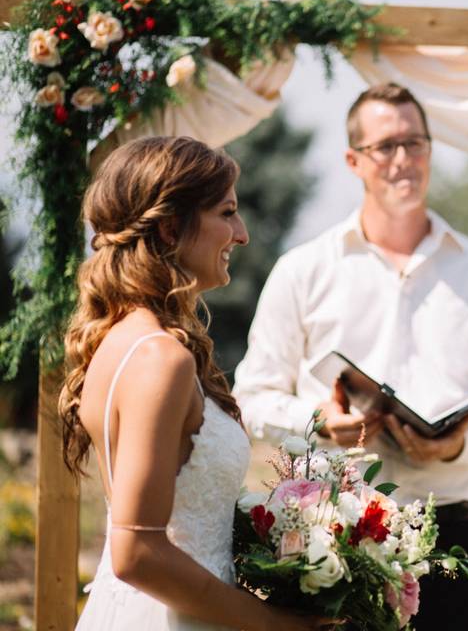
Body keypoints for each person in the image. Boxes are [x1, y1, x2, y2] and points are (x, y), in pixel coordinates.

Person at [234, 83, 468, 630]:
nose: (403, 159)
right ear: (353, 160)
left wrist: (455, 445)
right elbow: (253, 396)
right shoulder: (303, 270)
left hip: (453, 538)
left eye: (415, 143)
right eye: (385, 146)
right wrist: (322, 424)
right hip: (331, 540)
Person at [60, 136, 338, 631]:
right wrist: (277, 624)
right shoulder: (160, 359)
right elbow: (136, 552)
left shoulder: (122, 341)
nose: (242, 234)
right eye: (227, 213)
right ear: (170, 228)